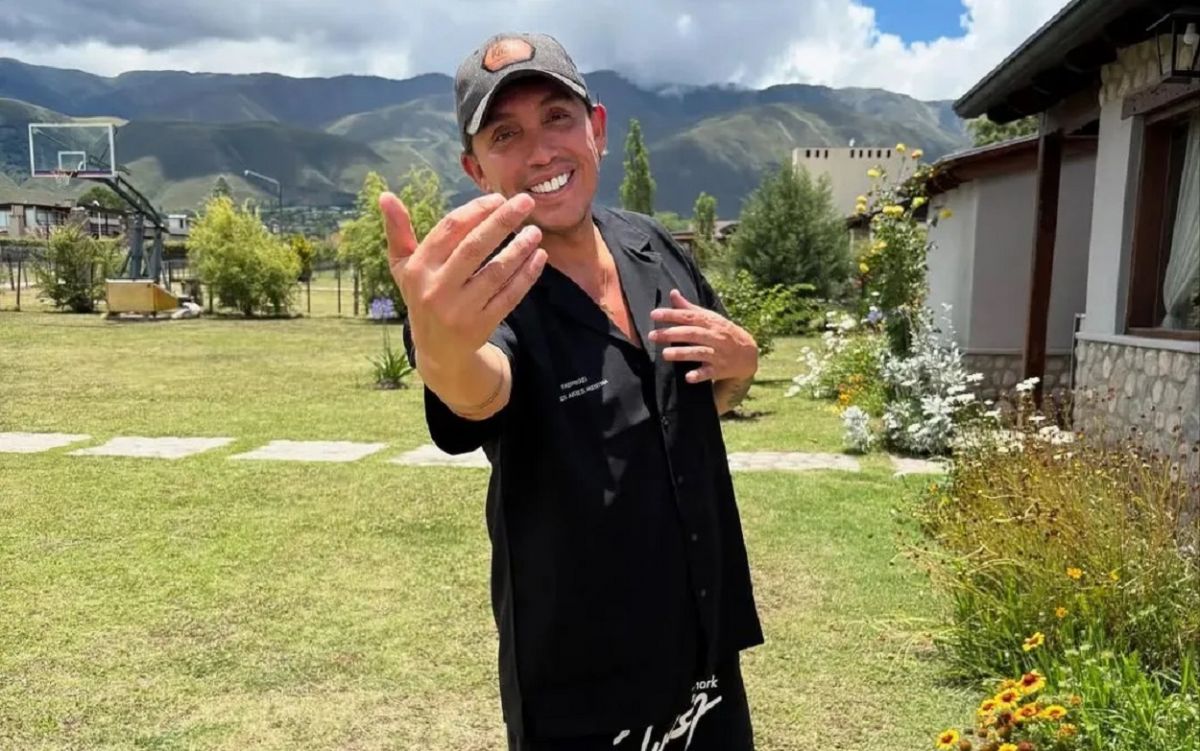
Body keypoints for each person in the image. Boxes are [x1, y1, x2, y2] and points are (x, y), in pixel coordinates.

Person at [382, 31, 764, 751]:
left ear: (597, 130)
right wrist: (440, 351)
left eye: (557, 117)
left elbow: (687, 402)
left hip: (704, 637)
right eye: (506, 134)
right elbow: (479, 390)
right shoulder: (480, 291)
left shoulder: (654, 248)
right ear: (475, 168)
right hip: (584, 672)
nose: (540, 152)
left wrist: (743, 364)